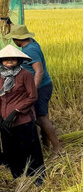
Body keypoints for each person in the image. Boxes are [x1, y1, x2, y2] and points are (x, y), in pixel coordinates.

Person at [5, 24, 63, 155]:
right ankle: (46, 145)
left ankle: (58, 148)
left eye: (14, 38)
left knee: (41, 118)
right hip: (44, 86)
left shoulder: (30, 50)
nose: (13, 41)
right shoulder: (32, 43)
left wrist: (33, 91)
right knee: (41, 116)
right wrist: (10, 24)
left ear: (18, 38)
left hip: (40, 87)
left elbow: (39, 71)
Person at [0, 45, 44, 183]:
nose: (9, 62)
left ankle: (37, 178)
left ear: (19, 60)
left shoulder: (25, 75)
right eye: (5, 60)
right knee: (10, 149)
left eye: (12, 60)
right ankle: (17, 176)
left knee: (30, 148)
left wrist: (16, 111)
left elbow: (32, 97)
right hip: (5, 119)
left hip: (23, 119)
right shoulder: (0, 76)